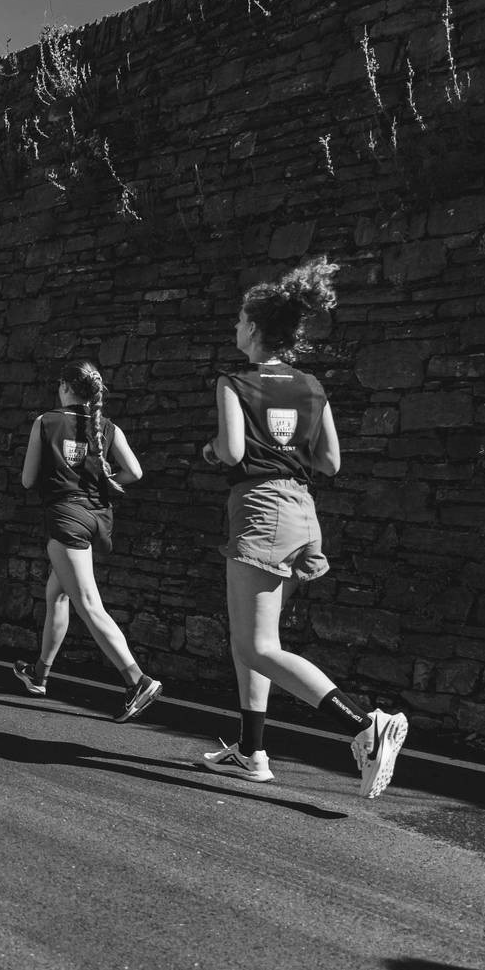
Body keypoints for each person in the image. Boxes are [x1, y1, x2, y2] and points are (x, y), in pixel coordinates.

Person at [199, 258, 407, 798]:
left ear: (253, 328)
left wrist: (212, 449)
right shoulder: (311, 386)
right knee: (252, 639)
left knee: (257, 646)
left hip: (259, 509)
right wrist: (287, 449)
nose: (234, 327)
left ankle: (366, 724)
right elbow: (331, 462)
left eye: (239, 320)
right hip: (300, 511)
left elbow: (233, 452)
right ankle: (251, 751)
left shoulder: (234, 383)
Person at [14, 360, 161, 722]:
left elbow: (28, 480)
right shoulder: (108, 427)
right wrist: (103, 482)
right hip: (97, 518)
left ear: (65, 386)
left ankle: (137, 680)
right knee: (58, 593)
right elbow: (135, 472)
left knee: (89, 604)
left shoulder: (45, 422)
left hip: (67, 520)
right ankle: (39, 674)